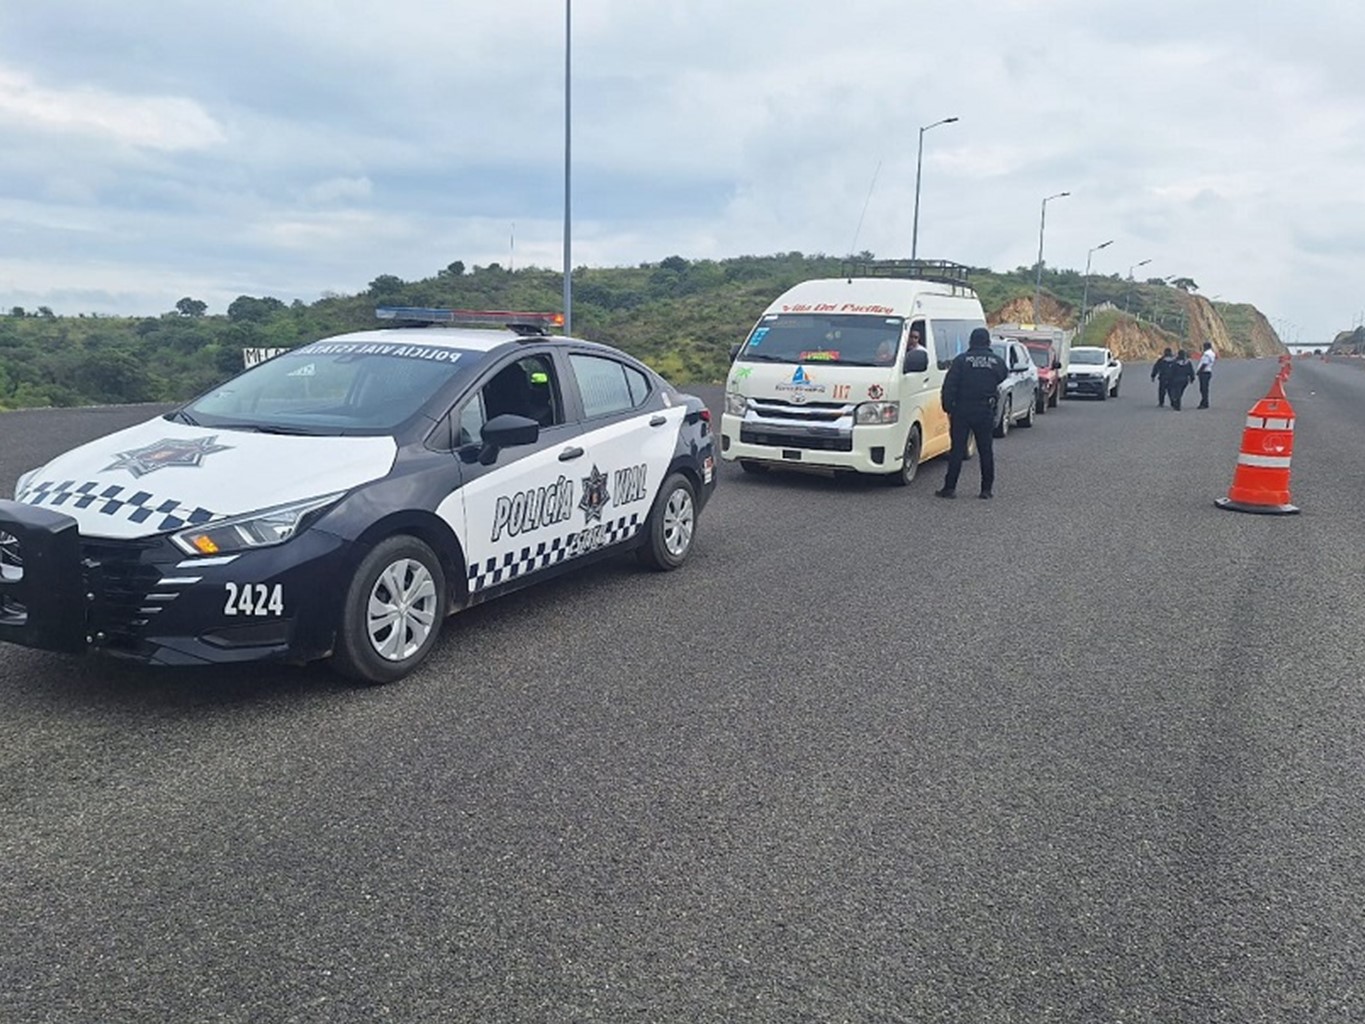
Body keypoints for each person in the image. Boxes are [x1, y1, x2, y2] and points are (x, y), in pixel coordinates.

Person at [935, 327, 1007, 499]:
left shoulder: (961, 361)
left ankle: (950, 488)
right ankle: (986, 490)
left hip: (962, 409)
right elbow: (1003, 376)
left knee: (957, 450)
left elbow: (949, 386)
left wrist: (948, 407)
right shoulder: (996, 361)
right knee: (986, 451)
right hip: (985, 410)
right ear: (988, 342)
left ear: (971, 341)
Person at [1196, 341, 1217, 408]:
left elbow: (1205, 363)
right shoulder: (1212, 353)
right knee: (1205, 389)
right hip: (1208, 372)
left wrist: (1199, 371)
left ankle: (1204, 403)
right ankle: (1204, 402)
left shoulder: (1207, 354)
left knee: (1203, 389)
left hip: (1204, 372)